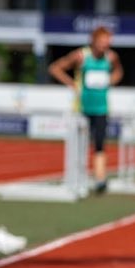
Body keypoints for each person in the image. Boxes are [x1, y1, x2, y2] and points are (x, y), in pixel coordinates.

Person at [48, 25, 124, 194]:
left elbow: (119, 72)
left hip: (102, 108)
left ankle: (100, 179)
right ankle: (76, 176)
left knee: (99, 144)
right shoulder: (81, 56)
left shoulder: (111, 57)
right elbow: (55, 68)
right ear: (94, 41)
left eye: (108, 42)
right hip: (81, 108)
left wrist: (111, 80)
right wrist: (71, 84)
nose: (105, 45)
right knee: (79, 144)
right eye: (102, 42)